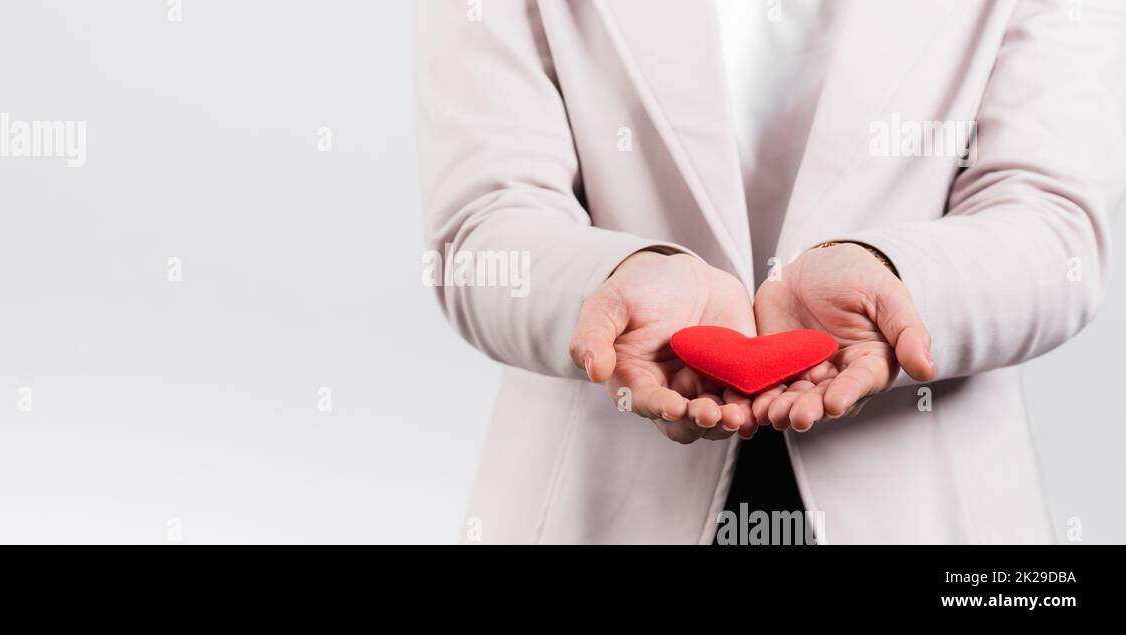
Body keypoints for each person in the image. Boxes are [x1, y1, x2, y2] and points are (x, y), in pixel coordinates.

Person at [416, 0, 1125, 544]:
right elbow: (484, 221)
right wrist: (622, 278)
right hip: (600, 493)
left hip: (930, 499)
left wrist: (895, 278)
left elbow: (1051, 218)